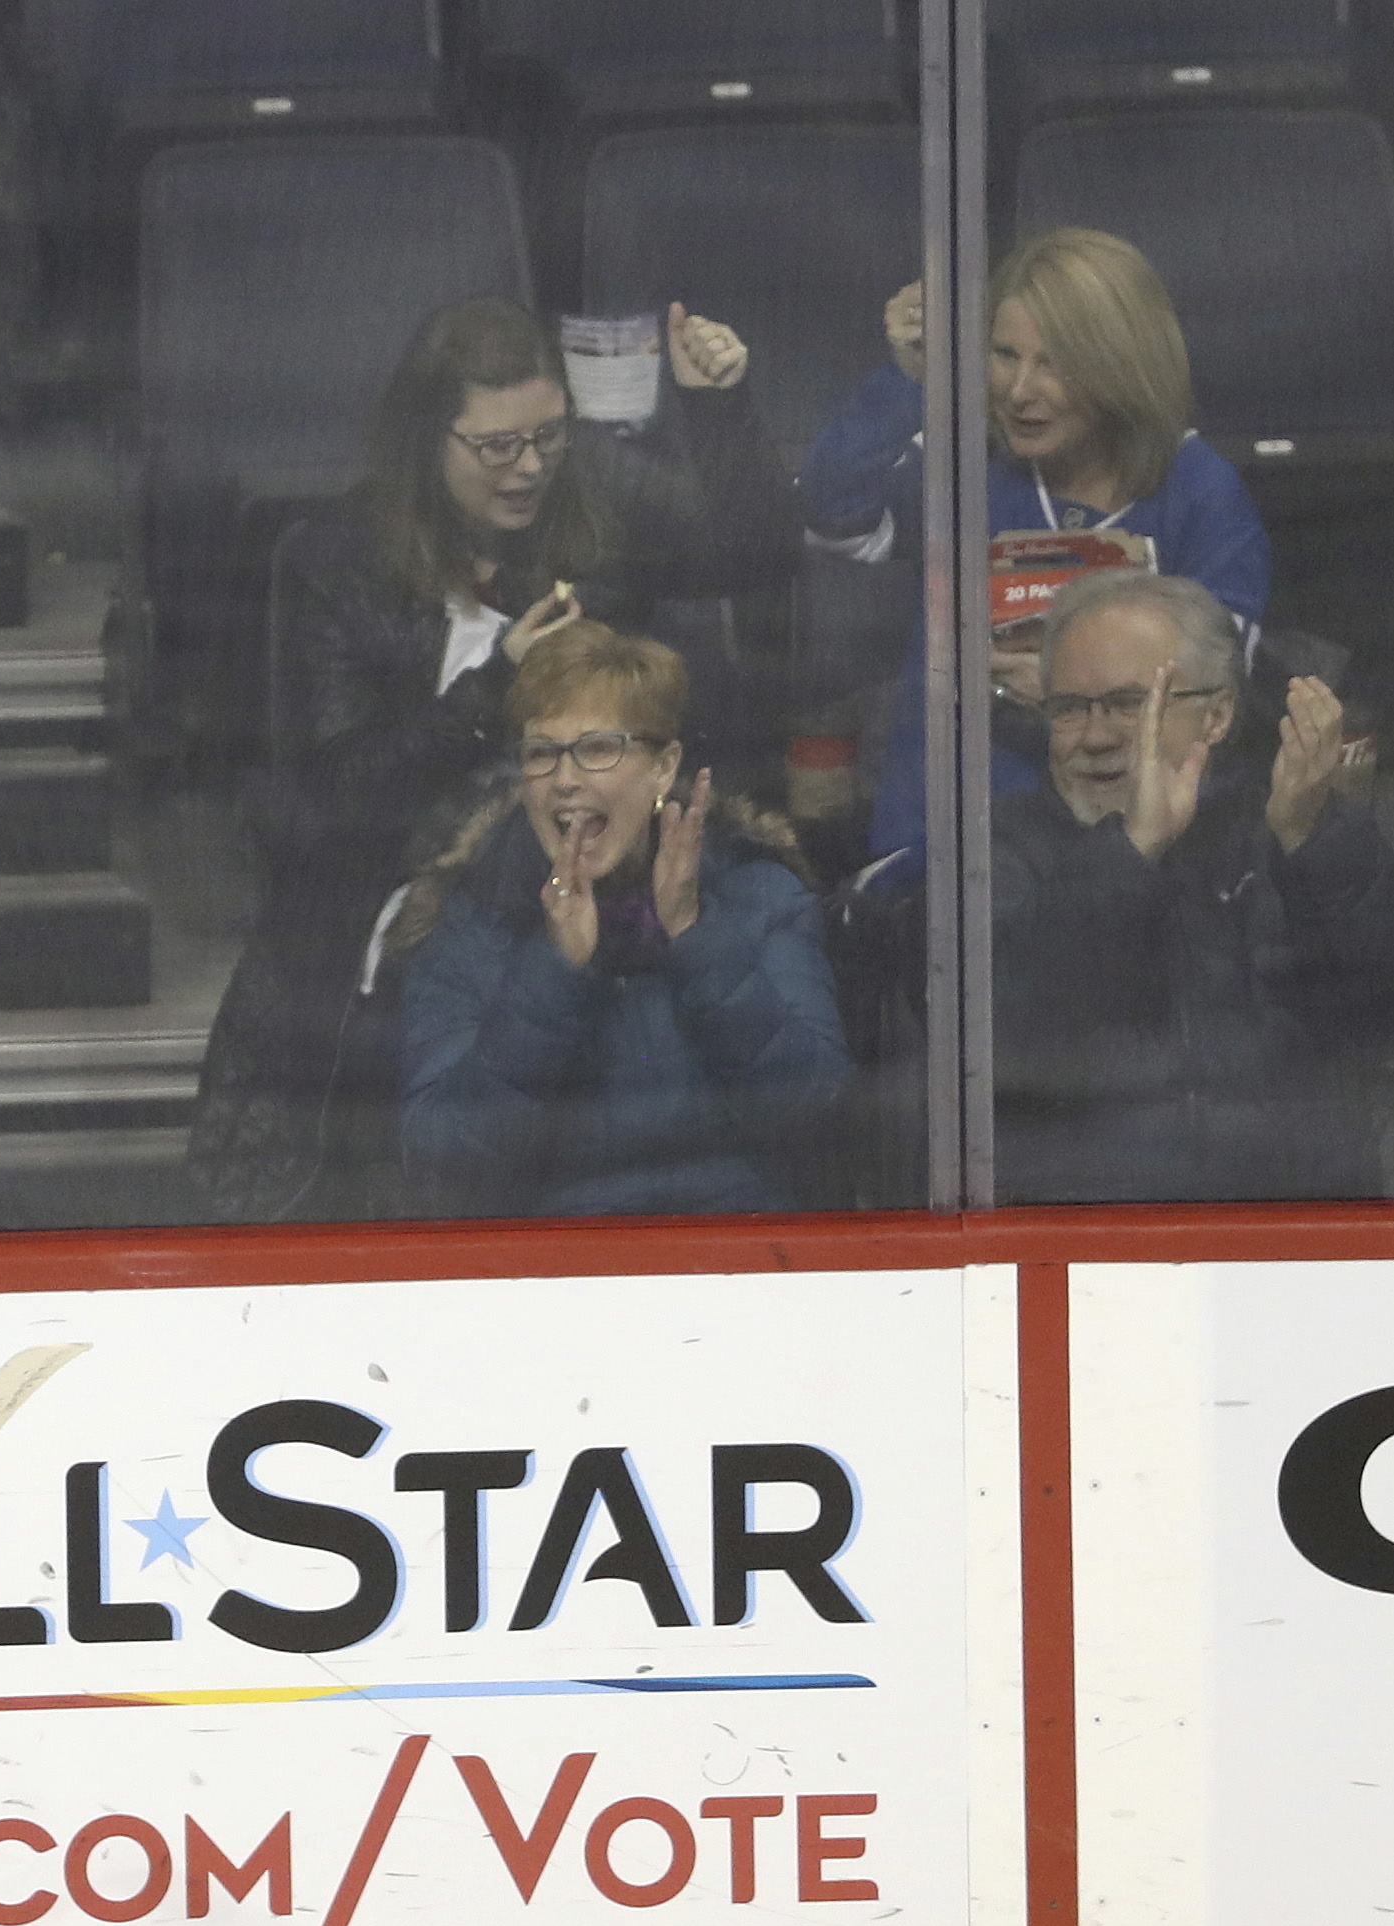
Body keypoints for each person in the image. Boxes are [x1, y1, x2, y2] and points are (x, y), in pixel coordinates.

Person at [189, 295, 797, 1221]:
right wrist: (486, 695)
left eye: (547, 438)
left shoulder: (591, 492)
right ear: (428, 440)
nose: (528, 469)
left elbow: (753, 553)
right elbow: (327, 808)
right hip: (388, 899)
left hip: (573, 865)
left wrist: (718, 408)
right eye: (496, 448)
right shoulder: (336, 559)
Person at [803, 228, 1271, 888]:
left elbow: (1215, 704)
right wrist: (905, 378)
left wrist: (1063, 694)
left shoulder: (1199, 494)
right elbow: (835, 519)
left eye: (1053, 363)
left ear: (1120, 367)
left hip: (1128, 850)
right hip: (941, 849)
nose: (1018, 389)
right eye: (1004, 355)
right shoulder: (970, 468)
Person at [396, 623, 850, 1218]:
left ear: (664, 768)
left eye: (597, 748)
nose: (564, 779)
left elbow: (819, 1110)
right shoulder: (473, 920)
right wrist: (555, 969)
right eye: (542, 753)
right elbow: (440, 1151)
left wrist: (695, 935)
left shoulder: (757, 894)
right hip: (554, 1263)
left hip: (738, 1245)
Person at [994, 572, 1394, 1205]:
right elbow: (1010, 1034)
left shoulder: (1285, 834)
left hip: (1304, 1237)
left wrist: (1311, 842)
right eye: (1070, 708)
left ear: (1217, 716)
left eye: (1130, 703)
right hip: (1079, 1238)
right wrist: (1131, 849)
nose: (1095, 736)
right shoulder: (993, 852)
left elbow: (1371, 1011)